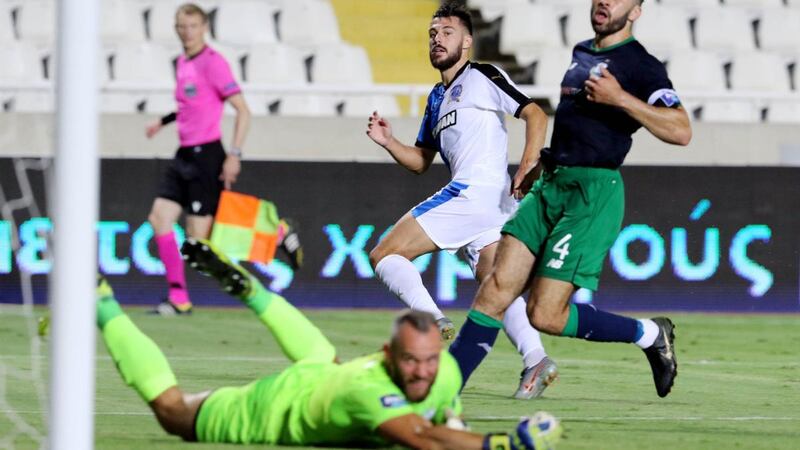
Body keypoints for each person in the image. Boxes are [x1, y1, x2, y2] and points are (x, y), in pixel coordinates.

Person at [95, 238, 564, 449]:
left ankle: (252, 291)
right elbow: (423, 438)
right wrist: (504, 443)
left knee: (325, 360)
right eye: (410, 363)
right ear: (387, 357)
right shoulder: (369, 393)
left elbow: (449, 420)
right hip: (276, 409)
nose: (422, 372)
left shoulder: (438, 373)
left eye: (427, 361)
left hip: (328, 375)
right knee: (175, 415)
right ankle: (101, 303)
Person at [448, 0, 691, 398]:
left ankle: (649, 333)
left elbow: (681, 131)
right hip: (551, 185)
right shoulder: (582, 51)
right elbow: (578, 125)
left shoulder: (640, 64)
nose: (604, 2)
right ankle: (445, 388)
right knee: (494, 289)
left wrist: (621, 99)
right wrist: (543, 165)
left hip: (591, 194)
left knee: (544, 314)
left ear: (636, 12)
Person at [366, 3, 557, 399]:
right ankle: (536, 358)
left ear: (467, 41)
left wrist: (527, 163)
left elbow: (535, 114)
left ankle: (433, 320)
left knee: (385, 255)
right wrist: (388, 142)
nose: (437, 39)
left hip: (477, 193)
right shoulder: (437, 97)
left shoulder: (483, 75)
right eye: (433, 34)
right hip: (490, 206)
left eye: (447, 32)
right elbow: (420, 161)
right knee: (495, 285)